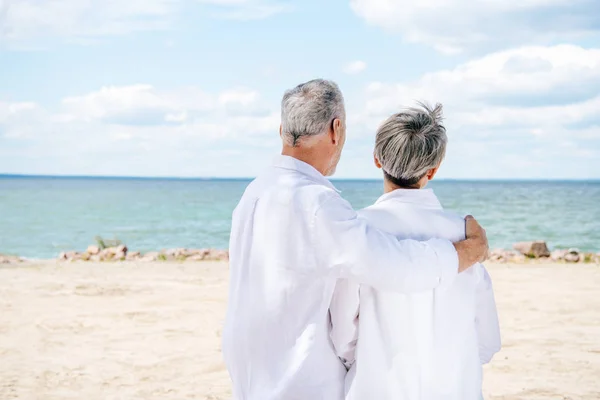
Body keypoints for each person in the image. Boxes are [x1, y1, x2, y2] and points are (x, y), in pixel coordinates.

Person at [222, 80, 490, 400]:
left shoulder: (255, 193)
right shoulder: (315, 202)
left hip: (253, 368)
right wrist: (469, 248)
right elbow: (396, 266)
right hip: (297, 376)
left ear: (283, 129)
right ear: (337, 129)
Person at [330, 102, 501, 400]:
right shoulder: (464, 235)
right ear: (433, 170)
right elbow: (487, 337)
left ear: (376, 159)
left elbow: (343, 332)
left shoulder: (359, 228)